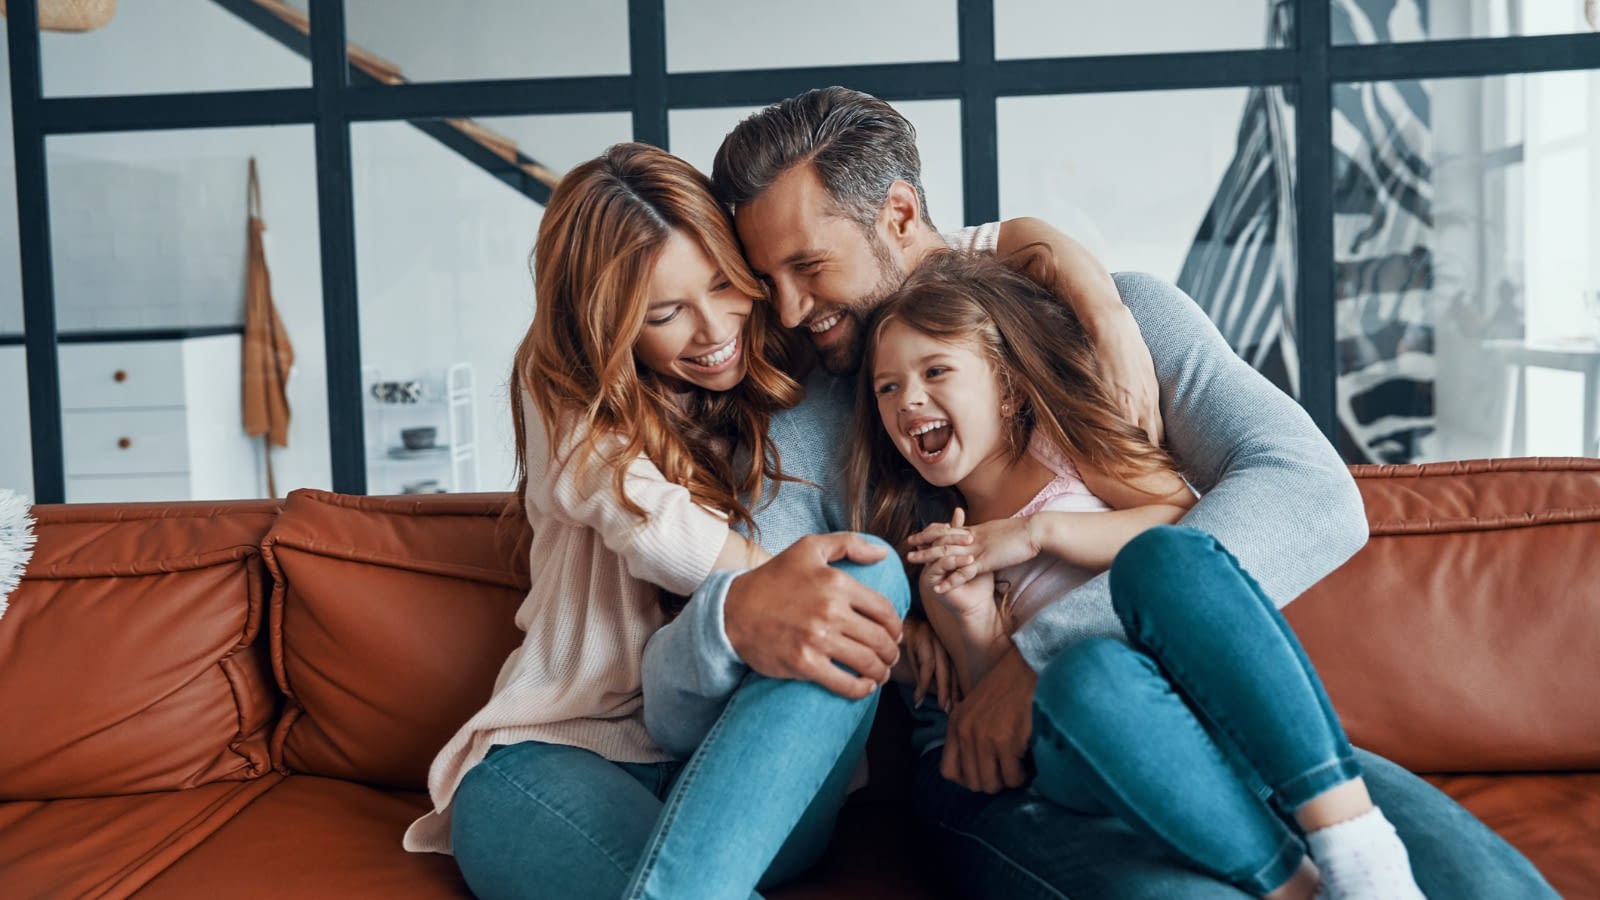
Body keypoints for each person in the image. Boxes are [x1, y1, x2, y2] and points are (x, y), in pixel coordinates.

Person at [682, 85, 1556, 898]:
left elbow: (1314, 498)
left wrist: (1042, 651)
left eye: (809, 266)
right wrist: (926, 640)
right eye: (769, 281)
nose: (788, 313)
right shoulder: (807, 424)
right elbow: (766, 613)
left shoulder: (1120, 322)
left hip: (1206, 712)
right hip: (1004, 775)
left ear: (901, 214)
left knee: (1472, 881)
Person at [401, 142, 911, 900]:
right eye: (665, 314)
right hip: (562, 754)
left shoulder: (791, 359)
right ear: (606, 325)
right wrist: (764, 593)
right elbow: (652, 525)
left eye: (725, 283)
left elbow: (916, 259)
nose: (713, 330)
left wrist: (1043, 246)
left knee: (868, 569)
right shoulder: (567, 393)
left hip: (753, 776)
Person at [851, 250, 1427, 899]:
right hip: (1079, 749)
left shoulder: (1067, 454)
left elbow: (1184, 531)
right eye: (887, 388)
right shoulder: (941, 550)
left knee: (1154, 592)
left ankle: (1340, 859)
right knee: (1088, 680)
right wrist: (974, 616)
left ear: (1007, 388)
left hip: (1186, 706)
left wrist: (1039, 531)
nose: (909, 399)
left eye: (935, 371)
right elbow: (995, 715)